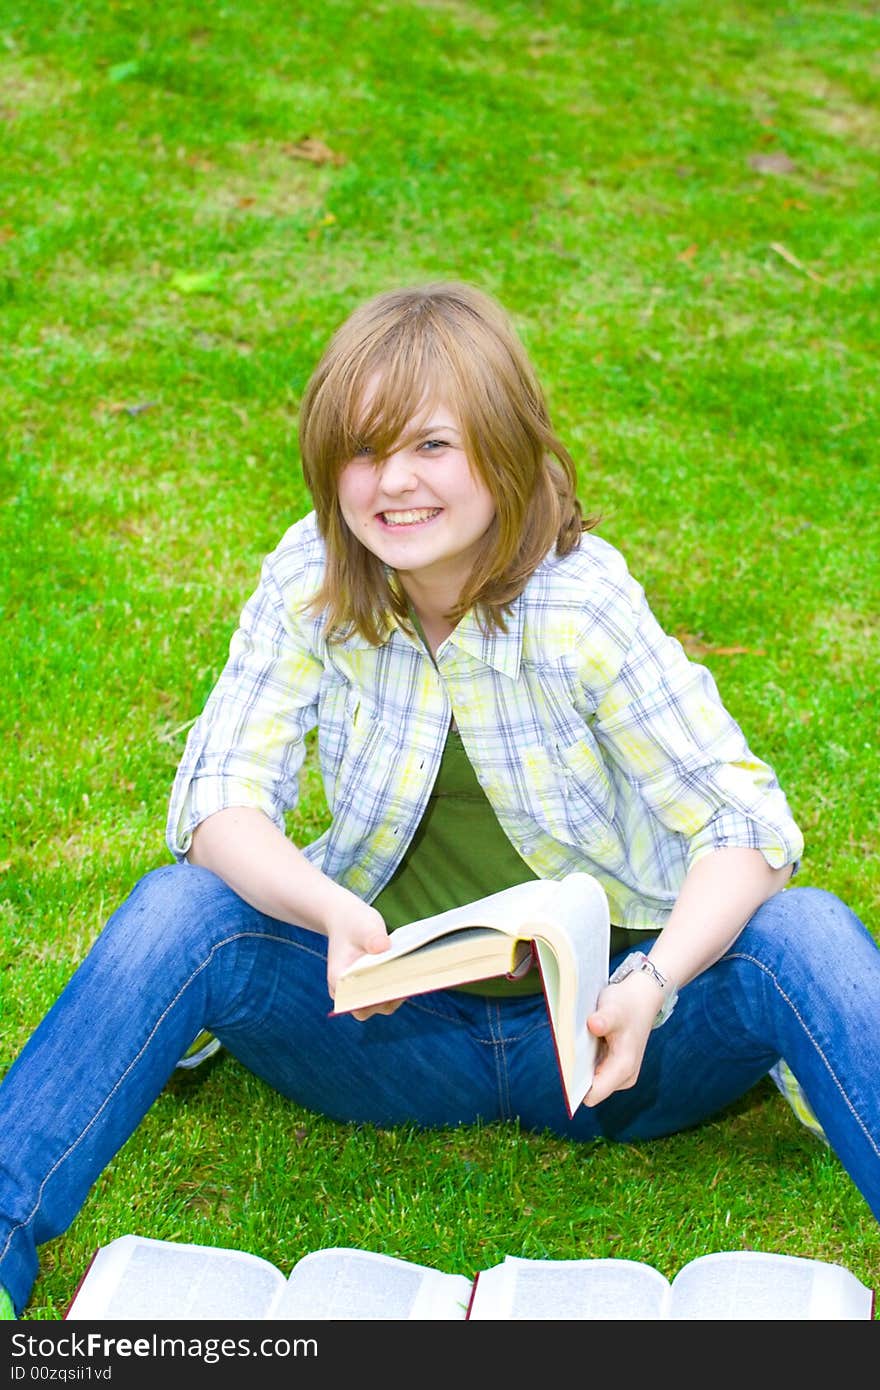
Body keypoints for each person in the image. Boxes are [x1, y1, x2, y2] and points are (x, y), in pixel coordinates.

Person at [1, 281, 878, 1319]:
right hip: (384, 1033)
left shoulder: (581, 597)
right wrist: (329, 913)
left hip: (613, 1047)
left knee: (807, 930)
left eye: (430, 447)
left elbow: (745, 823)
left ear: (503, 453)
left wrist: (653, 977)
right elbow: (218, 798)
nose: (393, 485)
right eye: (364, 453)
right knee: (178, 908)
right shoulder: (310, 578)